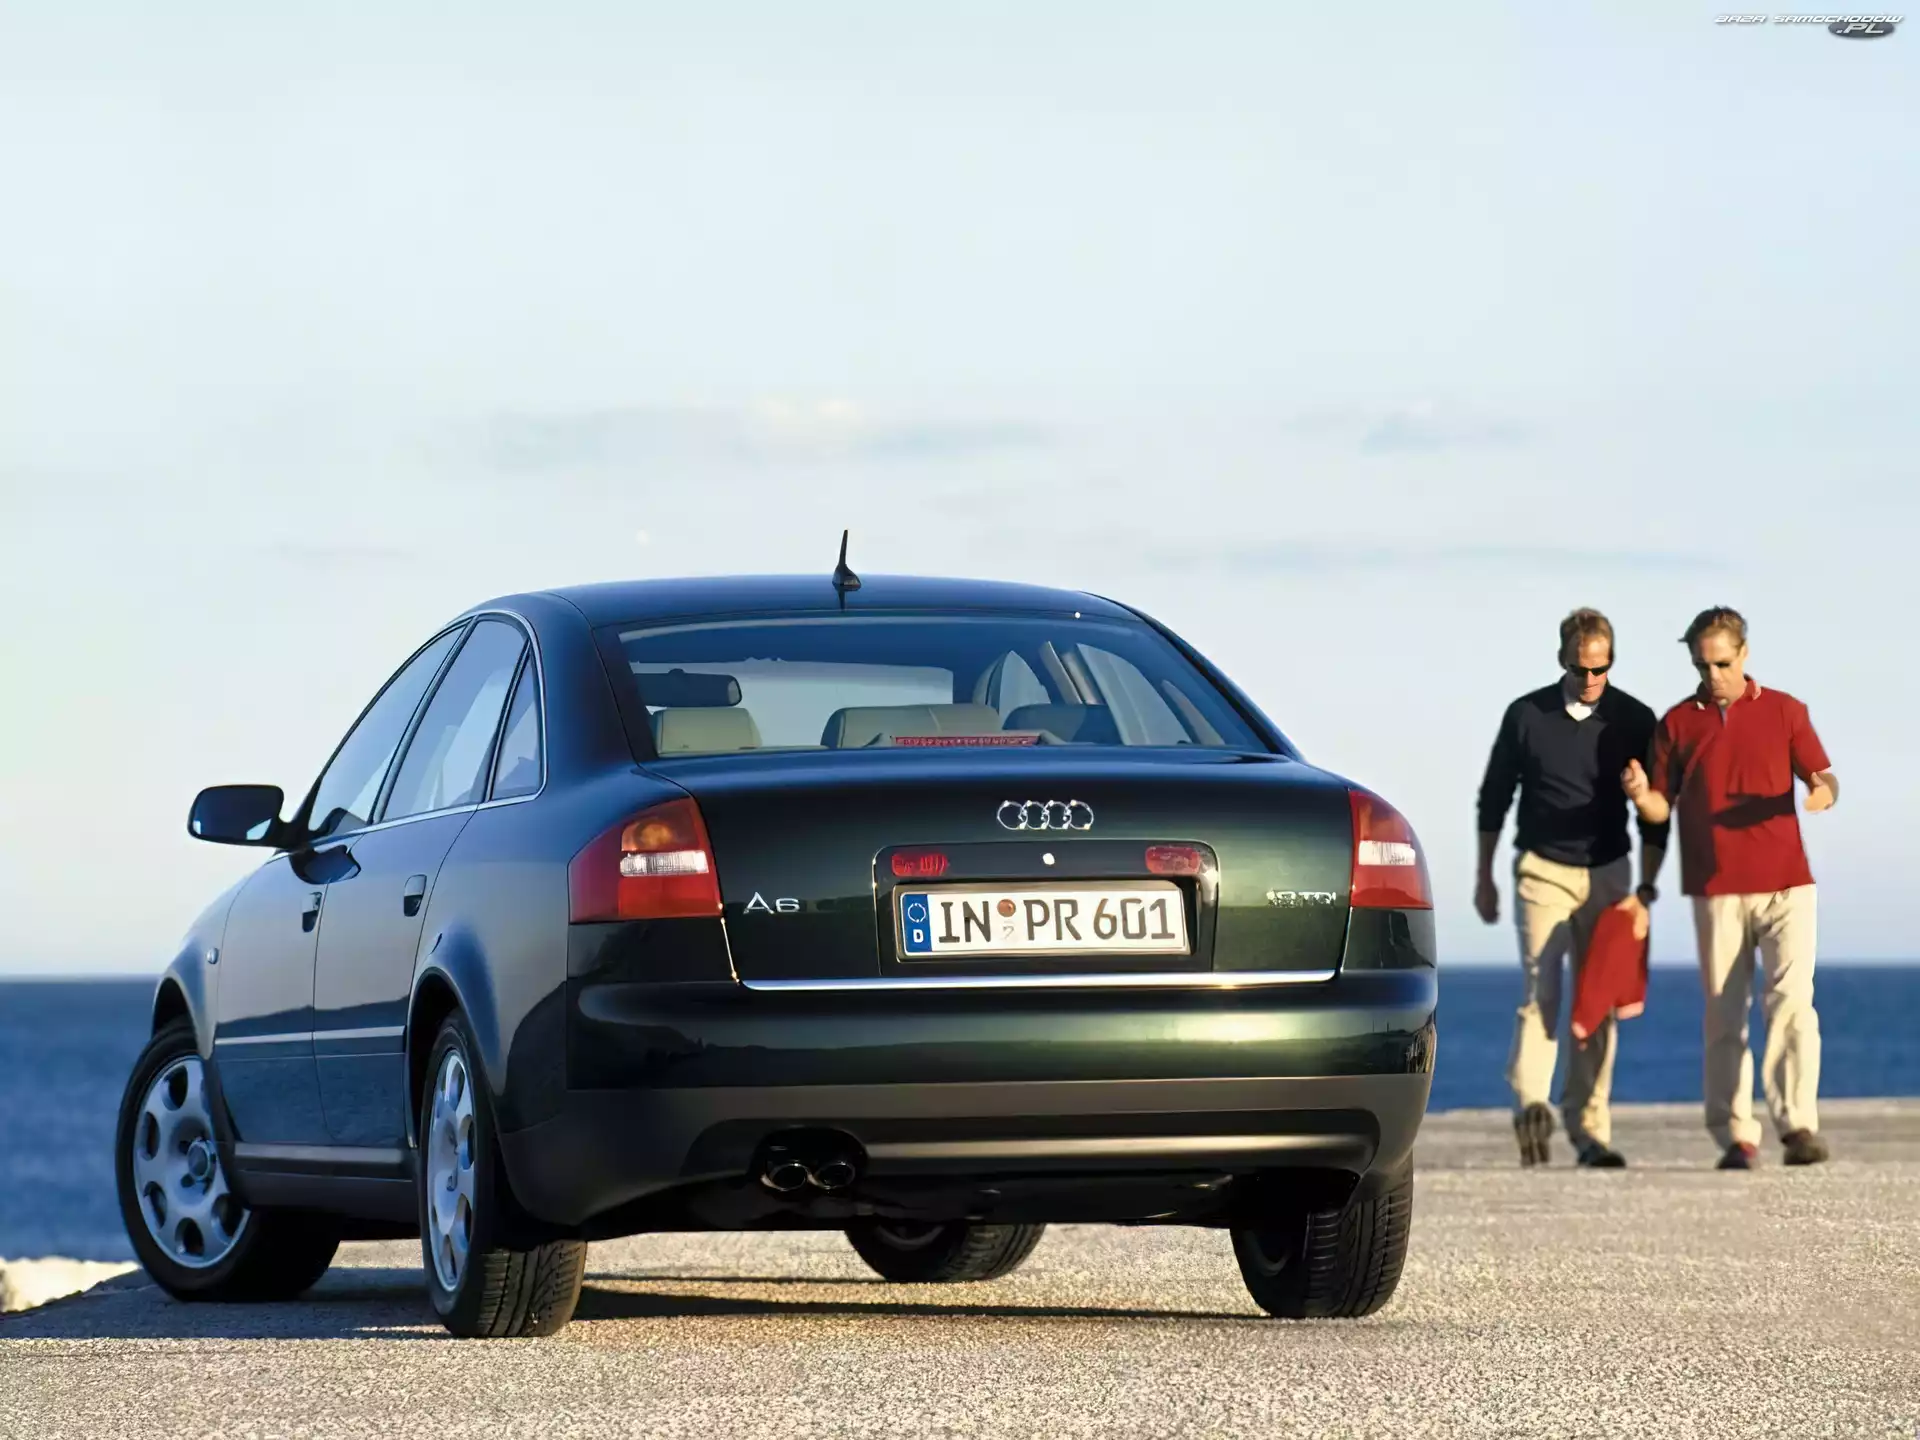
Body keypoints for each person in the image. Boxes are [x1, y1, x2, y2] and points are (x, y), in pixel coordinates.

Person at [1622, 606, 1838, 1169]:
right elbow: (1660, 807)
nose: (1713, 674)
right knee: (1724, 1014)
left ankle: (1799, 1127)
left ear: (1743, 654)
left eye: (1722, 663)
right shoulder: (1677, 723)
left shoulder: (1786, 710)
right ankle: (1736, 1136)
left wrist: (1821, 792)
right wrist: (1640, 794)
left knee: (1792, 1004)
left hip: (1788, 885)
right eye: (1702, 665)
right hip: (1716, 888)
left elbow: (1822, 774)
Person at [1477, 608, 1668, 1168]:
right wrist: (1484, 876)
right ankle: (1532, 1107)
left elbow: (1657, 815)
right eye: (1580, 668)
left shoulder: (1635, 719)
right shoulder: (1526, 714)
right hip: (1542, 870)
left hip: (1609, 873)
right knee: (1544, 990)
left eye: (1600, 669)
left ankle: (1589, 1131)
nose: (1590, 679)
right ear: (1562, 660)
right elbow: (1494, 796)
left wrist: (1647, 889)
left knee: (1597, 1001)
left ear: (1611, 662)